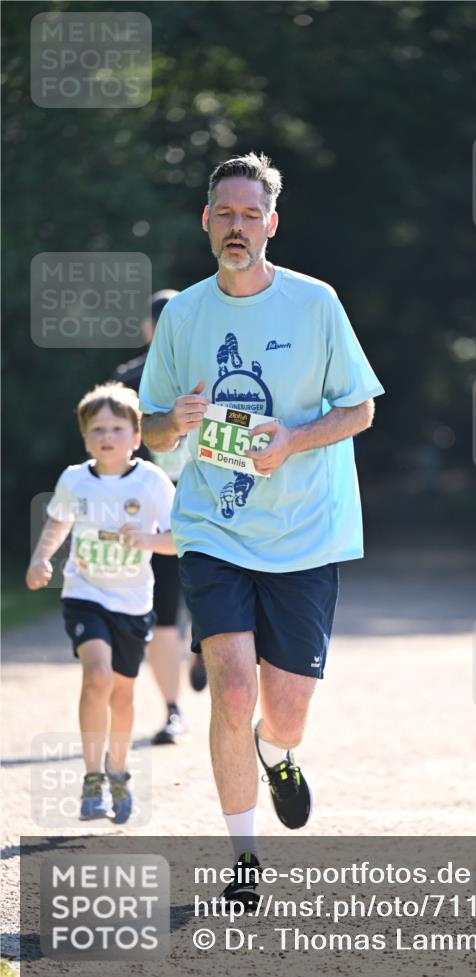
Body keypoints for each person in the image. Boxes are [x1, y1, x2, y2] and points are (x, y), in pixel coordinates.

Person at [139, 151, 384, 902]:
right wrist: (171, 423)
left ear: (271, 224)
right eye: (226, 213)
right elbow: (149, 430)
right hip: (215, 529)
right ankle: (243, 860)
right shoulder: (182, 315)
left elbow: (361, 408)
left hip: (305, 534)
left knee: (283, 712)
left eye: (251, 214)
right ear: (206, 221)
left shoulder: (315, 304)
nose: (237, 226)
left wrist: (290, 441)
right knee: (232, 689)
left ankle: (279, 757)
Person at [26, 383, 176, 823]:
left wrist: (147, 539)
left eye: (116, 427)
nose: (106, 436)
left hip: (132, 602)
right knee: (97, 675)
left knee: (123, 694)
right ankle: (92, 776)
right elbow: (57, 523)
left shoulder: (152, 481)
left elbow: (180, 539)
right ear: (86, 437)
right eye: (97, 429)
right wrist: (40, 559)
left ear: (136, 436)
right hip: (84, 593)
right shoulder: (74, 479)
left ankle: (117, 770)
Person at [115, 290, 207, 748]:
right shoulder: (132, 380)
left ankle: (192, 669)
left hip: (201, 498)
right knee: (168, 608)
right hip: (163, 501)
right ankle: (175, 705)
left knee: (180, 606)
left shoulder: (206, 374)